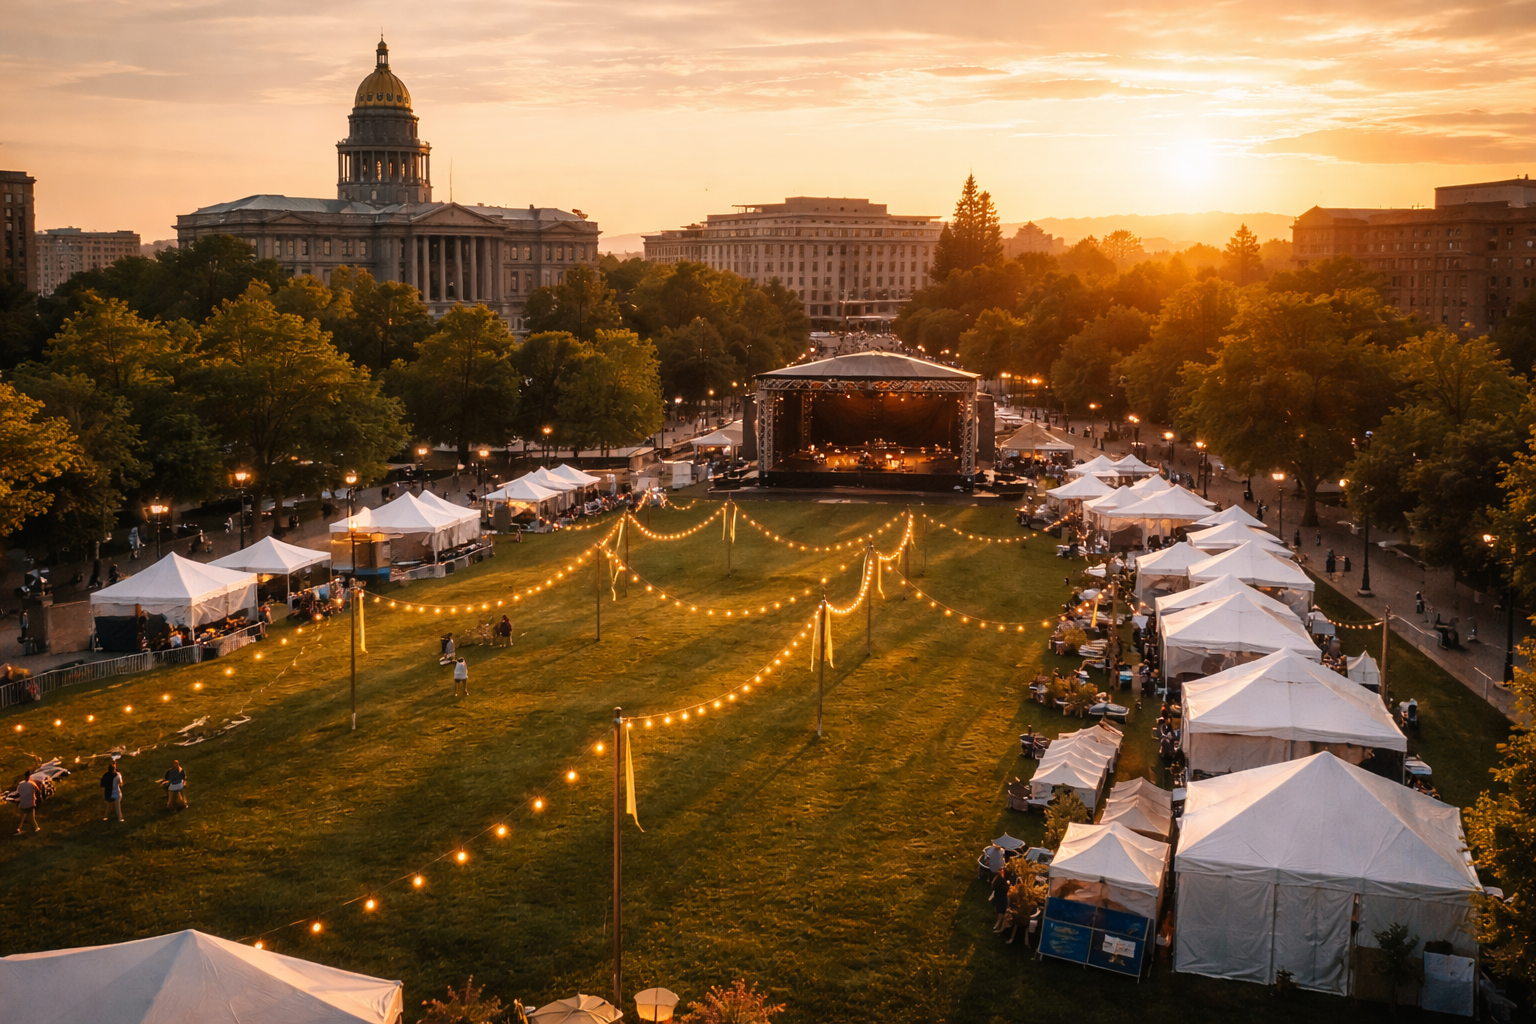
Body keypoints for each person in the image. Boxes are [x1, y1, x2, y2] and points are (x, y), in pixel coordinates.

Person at [989, 867, 1011, 933]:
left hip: (998, 899)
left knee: (1000, 912)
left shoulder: (996, 880)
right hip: (1002, 900)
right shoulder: (1001, 881)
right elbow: (1007, 888)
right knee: (1001, 912)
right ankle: (998, 925)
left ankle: (997, 925)